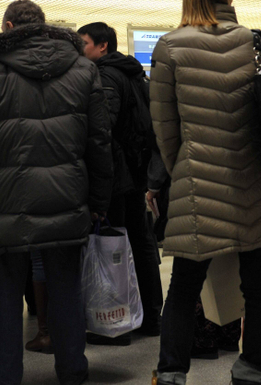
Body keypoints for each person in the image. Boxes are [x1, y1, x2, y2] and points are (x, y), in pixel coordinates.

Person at [148, 0, 261, 385]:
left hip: (198, 181)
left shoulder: (170, 46)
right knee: (258, 282)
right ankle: (251, 370)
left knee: (185, 283)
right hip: (258, 181)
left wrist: (187, 171)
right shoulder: (254, 41)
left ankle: (172, 372)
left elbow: (165, 130)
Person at [0, 0, 113, 385]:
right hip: (68, 195)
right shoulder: (83, 69)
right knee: (65, 289)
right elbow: (99, 142)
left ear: (8, 27)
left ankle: (5, 375)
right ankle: (73, 368)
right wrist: (99, 202)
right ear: (44, 26)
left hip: (6, 201)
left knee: (7, 292)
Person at [79, 21, 163, 342]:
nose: (80, 50)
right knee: (139, 244)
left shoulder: (106, 77)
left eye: (84, 43)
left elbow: (104, 127)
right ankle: (150, 315)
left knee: (112, 246)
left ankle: (117, 323)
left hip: (115, 175)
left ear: (103, 46)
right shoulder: (134, 74)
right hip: (135, 171)